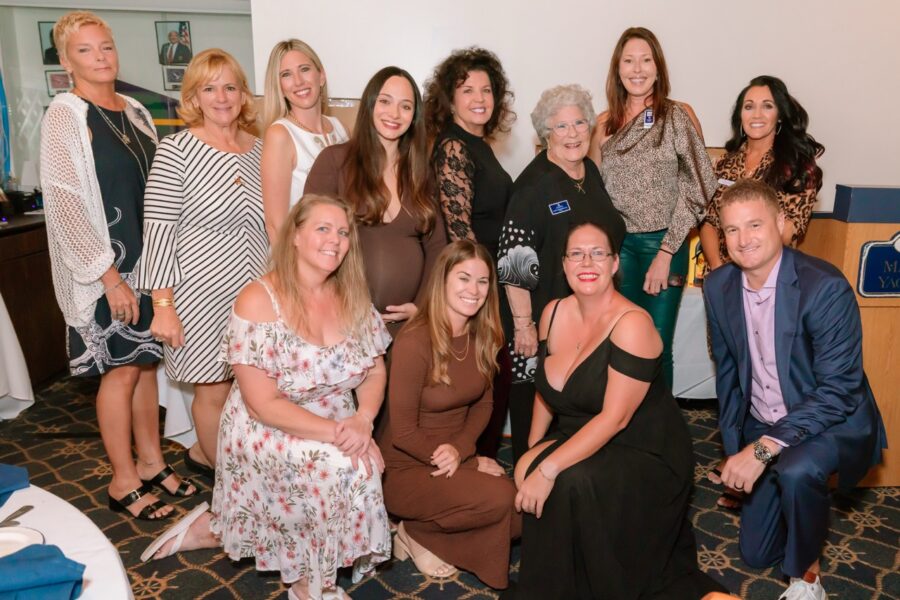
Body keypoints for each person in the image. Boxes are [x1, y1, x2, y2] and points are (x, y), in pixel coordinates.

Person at [141, 195, 392, 600]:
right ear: (294, 235)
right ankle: (309, 585)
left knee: (353, 463)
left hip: (338, 416)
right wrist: (340, 435)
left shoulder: (351, 294)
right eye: (322, 229)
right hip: (264, 425)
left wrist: (363, 420)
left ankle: (226, 530)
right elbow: (263, 404)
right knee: (340, 466)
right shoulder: (258, 299)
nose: (335, 240)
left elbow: (374, 370)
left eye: (343, 232)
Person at [511, 221, 725, 599]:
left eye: (598, 253)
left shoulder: (632, 324)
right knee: (531, 469)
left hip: (644, 447)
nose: (586, 262)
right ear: (563, 265)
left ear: (613, 264)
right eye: (576, 254)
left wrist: (547, 467)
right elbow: (546, 391)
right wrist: (531, 449)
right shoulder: (552, 313)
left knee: (567, 479)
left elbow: (616, 418)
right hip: (582, 430)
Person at [40, 11, 195, 521]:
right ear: (67, 61)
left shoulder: (134, 110)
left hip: (148, 261)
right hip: (109, 268)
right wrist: (108, 278)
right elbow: (65, 204)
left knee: (146, 365)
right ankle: (121, 478)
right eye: (85, 50)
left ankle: (151, 463)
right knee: (120, 372)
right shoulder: (66, 113)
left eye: (105, 46)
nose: (100, 56)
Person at [703, 179, 885, 600]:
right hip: (763, 416)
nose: (743, 240)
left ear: (782, 224)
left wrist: (764, 450)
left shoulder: (824, 288)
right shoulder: (719, 286)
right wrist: (736, 455)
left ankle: (808, 577)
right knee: (754, 554)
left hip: (827, 420)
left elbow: (840, 391)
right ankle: (797, 507)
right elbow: (729, 377)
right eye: (731, 230)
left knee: (798, 469)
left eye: (754, 225)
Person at [137, 49, 268, 480]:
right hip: (196, 296)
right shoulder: (176, 150)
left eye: (230, 86)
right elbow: (157, 230)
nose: (221, 97)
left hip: (253, 295)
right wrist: (163, 305)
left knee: (250, 390)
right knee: (213, 390)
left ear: (243, 94)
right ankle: (230, 488)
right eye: (209, 88)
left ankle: (205, 455)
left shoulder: (259, 149)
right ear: (193, 96)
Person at [379, 241, 520, 588]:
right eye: (464, 278)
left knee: (518, 513)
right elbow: (403, 434)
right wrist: (469, 462)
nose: (474, 290)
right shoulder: (415, 341)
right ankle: (417, 530)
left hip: (452, 455)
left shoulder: (483, 335)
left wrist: (462, 449)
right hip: (407, 467)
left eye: (483, 281)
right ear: (442, 280)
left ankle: (416, 532)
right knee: (501, 499)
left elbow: (484, 406)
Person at [497, 84, 625, 462]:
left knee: (580, 415)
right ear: (545, 135)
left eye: (579, 123)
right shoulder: (533, 187)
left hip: (588, 320)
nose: (572, 134)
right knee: (536, 418)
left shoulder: (590, 173)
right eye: (561, 127)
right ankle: (529, 484)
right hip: (540, 326)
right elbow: (512, 259)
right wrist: (523, 326)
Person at [589, 26, 717, 387]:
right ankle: (623, 430)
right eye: (628, 61)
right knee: (620, 342)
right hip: (618, 249)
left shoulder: (677, 116)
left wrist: (665, 251)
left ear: (658, 69)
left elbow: (701, 184)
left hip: (665, 244)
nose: (637, 68)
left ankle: (661, 438)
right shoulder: (603, 125)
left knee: (656, 345)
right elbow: (595, 194)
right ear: (617, 70)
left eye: (646, 60)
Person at [305, 66, 447, 336]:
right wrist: (333, 303)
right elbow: (310, 238)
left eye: (405, 106)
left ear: (414, 117)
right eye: (385, 101)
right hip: (344, 323)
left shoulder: (420, 172)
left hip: (406, 328)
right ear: (370, 104)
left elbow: (437, 246)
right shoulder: (335, 161)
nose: (394, 114)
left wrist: (422, 306)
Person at [424, 46, 515, 458]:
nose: (479, 98)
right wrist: (482, 287)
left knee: (493, 379)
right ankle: (476, 463)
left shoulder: (478, 144)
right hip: (478, 284)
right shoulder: (455, 147)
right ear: (450, 99)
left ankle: (482, 460)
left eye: (486, 90)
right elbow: (460, 232)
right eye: (467, 90)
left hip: (490, 278)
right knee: (484, 381)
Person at [700, 75, 825, 269]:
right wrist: (719, 272)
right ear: (740, 115)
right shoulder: (723, 164)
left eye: (767, 106)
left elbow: (786, 233)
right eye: (749, 107)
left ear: (780, 114)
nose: (757, 115)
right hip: (721, 278)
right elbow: (709, 222)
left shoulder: (798, 168)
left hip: (769, 278)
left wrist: (745, 272)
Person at [260, 39, 349, 242]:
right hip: (298, 261)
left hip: (338, 255)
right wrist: (294, 272)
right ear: (279, 86)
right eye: (286, 75)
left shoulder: (340, 128)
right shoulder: (280, 135)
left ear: (322, 75)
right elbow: (276, 224)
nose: (299, 81)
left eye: (305, 69)